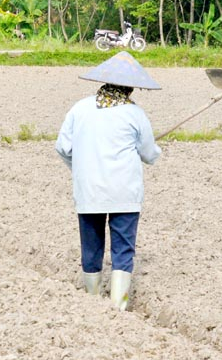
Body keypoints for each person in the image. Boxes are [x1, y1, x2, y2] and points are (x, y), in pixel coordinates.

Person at [55, 51, 162, 311]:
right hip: (124, 193)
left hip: (89, 191)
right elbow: (149, 154)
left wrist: (79, 168)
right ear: (129, 88)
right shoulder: (134, 114)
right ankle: (118, 308)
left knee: (91, 247)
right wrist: (156, 150)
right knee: (123, 249)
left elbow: (62, 148)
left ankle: (91, 304)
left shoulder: (79, 109)